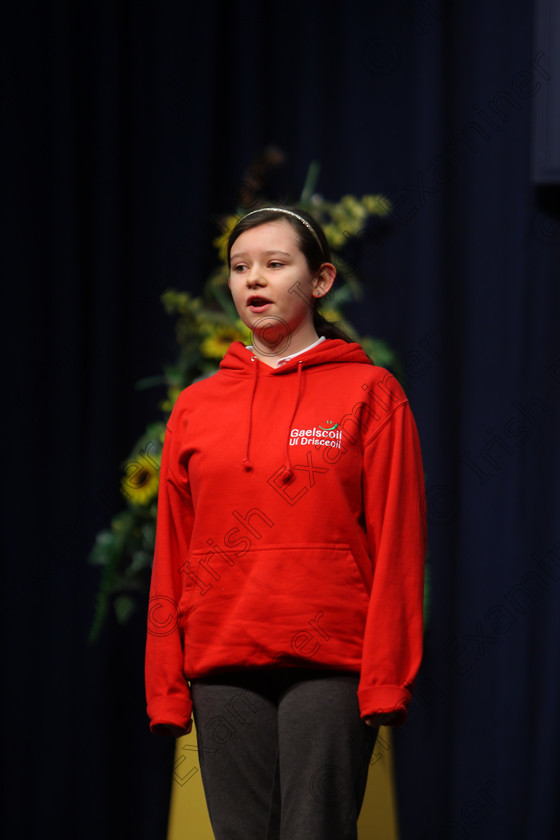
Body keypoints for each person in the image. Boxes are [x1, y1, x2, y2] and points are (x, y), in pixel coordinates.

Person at [145, 206, 427, 839]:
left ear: (320, 280)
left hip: (331, 659)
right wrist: (165, 682)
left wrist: (386, 678)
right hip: (222, 659)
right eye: (241, 268)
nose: (255, 280)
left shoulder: (370, 391)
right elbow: (173, 550)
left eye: (276, 264)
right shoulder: (195, 407)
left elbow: (399, 544)